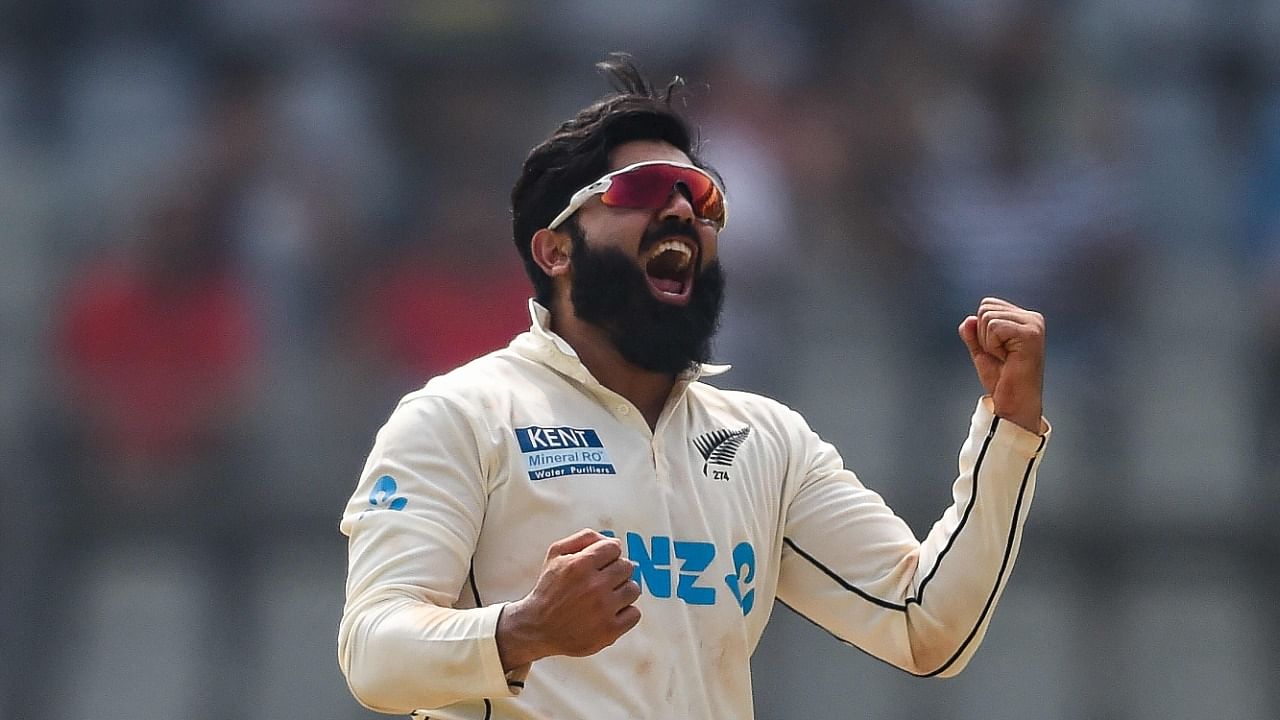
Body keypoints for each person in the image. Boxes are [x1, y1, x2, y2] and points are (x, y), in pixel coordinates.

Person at [337, 55, 1050, 720]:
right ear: (555, 249)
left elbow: (925, 626)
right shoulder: (463, 416)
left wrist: (1008, 432)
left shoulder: (766, 442)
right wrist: (522, 631)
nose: (683, 212)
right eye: (642, 190)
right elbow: (372, 653)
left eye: (704, 200)